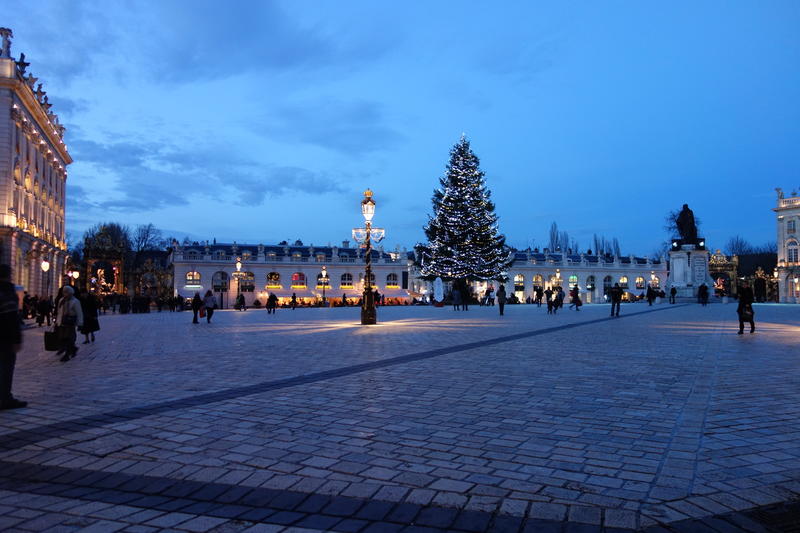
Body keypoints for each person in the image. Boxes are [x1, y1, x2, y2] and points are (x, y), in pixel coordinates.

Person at [0, 265, 26, 409]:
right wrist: (17, 338)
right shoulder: (7, 290)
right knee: (6, 367)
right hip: (5, 336)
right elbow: (11, 316)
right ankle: (5, 398)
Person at [56, 285, 83, 362]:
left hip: (70, 322)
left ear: (71, 293)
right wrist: (57, 321)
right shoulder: (61, 300)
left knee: (68, 338)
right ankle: (73, 349)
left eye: (66, 292)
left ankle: (67, 355)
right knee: (62, 338)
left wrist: (80, 323)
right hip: (62, 321)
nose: (65, 294)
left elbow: (79, 313)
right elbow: (59, 311)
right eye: (64, 292)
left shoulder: (75, 301)